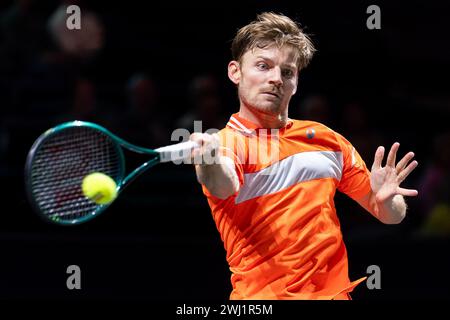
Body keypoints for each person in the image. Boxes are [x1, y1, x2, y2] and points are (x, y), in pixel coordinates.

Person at [189, 12, 418, 300]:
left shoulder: (326, 139)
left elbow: (390, 217)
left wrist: (388, 201)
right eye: (263, 66)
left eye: (287, 72)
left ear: (296, 81)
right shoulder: (226, 144)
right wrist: (207, 161)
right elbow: (223, 184)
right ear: (235, 72)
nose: (275, 79)